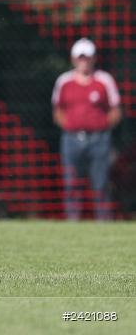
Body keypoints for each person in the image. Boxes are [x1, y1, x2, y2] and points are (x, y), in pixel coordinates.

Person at [51, 38, 121, 221]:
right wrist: (69, 126)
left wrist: (102, 127)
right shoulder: (64, 81)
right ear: (74, 59)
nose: (83, 61)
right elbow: (58, 110)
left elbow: (115, 110)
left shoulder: (104, 80)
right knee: (71, 183)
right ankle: (72, 221)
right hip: (71, 139)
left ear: (93, 59)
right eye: (80, 58)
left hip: (99, 139)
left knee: (101, 182)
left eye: (87, 58)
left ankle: (104, 222)